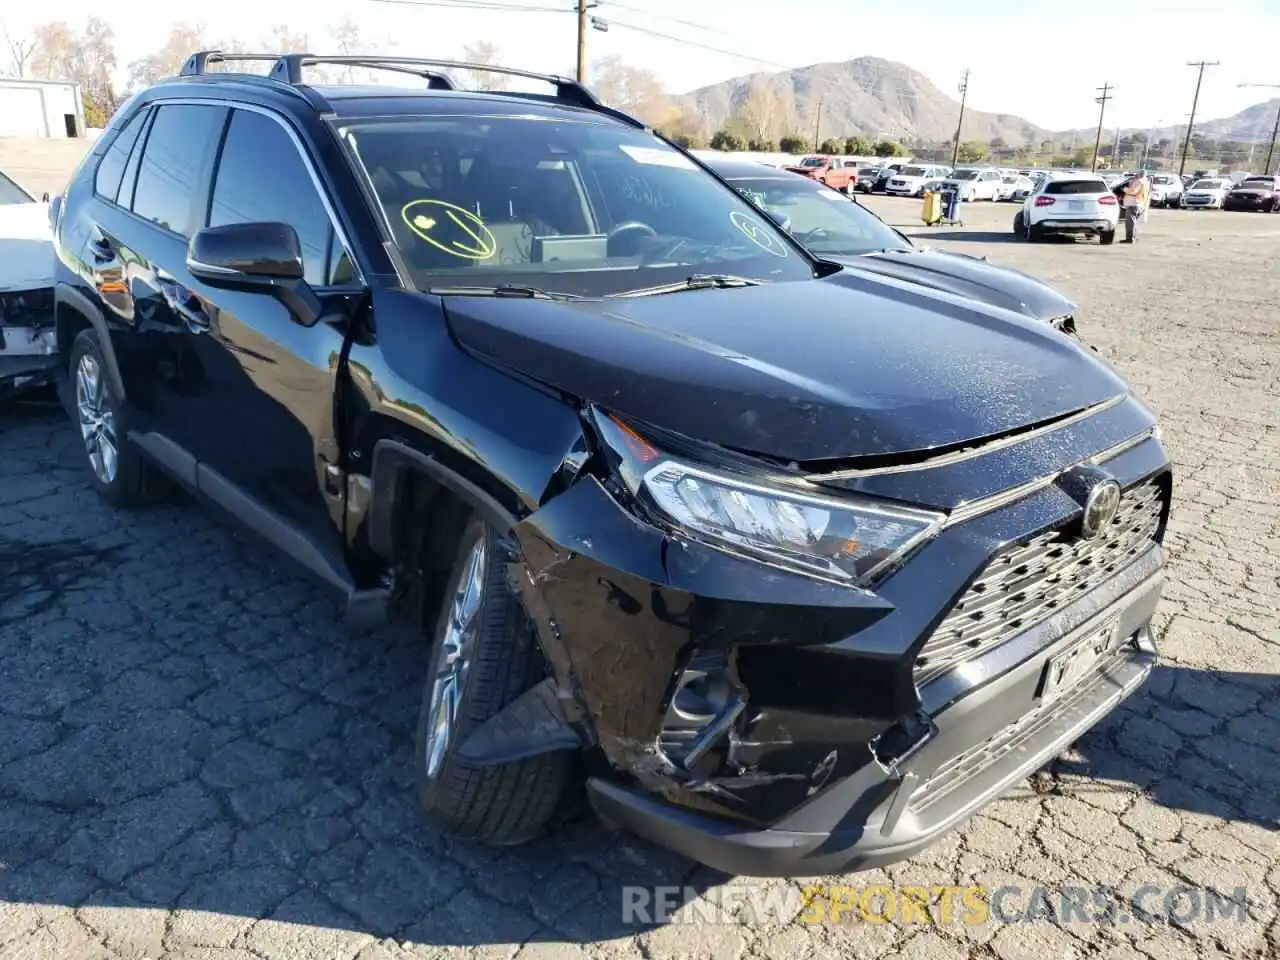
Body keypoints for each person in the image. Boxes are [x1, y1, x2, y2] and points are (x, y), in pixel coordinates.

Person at [1120, 173, 1149, 243]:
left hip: (1133, 204)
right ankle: (1133, 238)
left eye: (1136, 175)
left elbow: (1133, 191)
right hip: (1138, 203)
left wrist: (1124, 189)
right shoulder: (1145, 182)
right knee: (1133, 222)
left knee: (1130, 223)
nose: (1135, 176)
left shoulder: (1140, 182)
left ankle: (1130, 239)